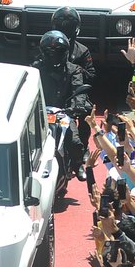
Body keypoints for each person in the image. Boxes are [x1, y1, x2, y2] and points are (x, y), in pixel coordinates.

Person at [34, 30, 87, 181]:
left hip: (65, 113)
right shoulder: (36, 68)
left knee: (75, 141)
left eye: (58, 51)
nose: (54, 55)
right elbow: (28, 87)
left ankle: (77, 165)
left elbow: (79, 90)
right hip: (40, 113)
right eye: (50, 51)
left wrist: (77, 106)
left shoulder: (74, 70)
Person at [51, 6, 94, 157]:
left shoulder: (82, 50)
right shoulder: (49, 45)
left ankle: (83, 148)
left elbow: (91, 76)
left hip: (75, 92)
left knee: (86, 112)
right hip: (54, 90)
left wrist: (76, 69)